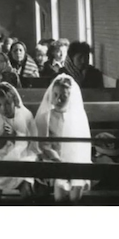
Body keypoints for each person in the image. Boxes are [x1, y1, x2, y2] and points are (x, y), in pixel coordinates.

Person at [35, 74, 92, 203]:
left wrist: (72, 160)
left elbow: (80, 145)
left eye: (63, 97)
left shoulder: (77, 117)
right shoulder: (46, 116)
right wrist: (57, 159)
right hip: (53, 159)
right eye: (55, 95)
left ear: (70, 98)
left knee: (75, 195)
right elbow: (43, 145)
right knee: (59, 195)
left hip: (73, 159)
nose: (58, 100)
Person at [0, 83, 40, 201]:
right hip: (1, 155)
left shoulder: (25, 115)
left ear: (15, 101)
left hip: (23, 155)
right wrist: (1, 139)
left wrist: (16, 137)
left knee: (25, 179)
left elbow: (32, 142)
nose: (3, 108)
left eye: (7, 103)